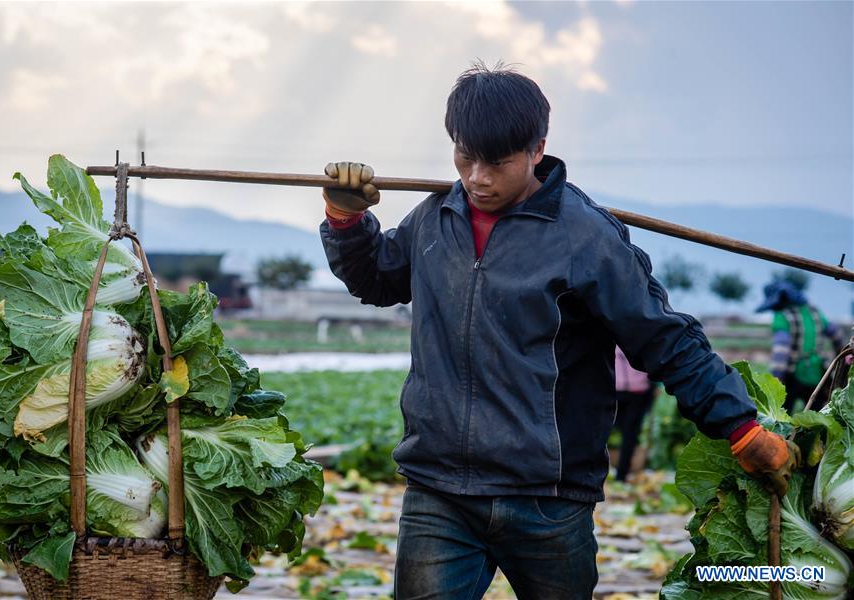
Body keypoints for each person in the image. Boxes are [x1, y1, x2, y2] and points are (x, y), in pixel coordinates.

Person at [318, 62, 798, 600]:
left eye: (497, 163)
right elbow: (377, 279)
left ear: (537, 150)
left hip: (548, 499)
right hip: (440, 489)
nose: (477, 177)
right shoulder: (436, 218)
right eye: (464, 156)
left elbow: (662, 337)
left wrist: (740, 426)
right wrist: (346, 220)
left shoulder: (585, 236)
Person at [757, 280, 847, 412]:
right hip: (817, 374)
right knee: (815, 417)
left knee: (783, 414)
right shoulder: (814, 313)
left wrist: (775, 381)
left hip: (793, 375)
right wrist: (843, 361)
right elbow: (837, 336)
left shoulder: (782, 316)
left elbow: (781, 352)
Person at [613, 346, 657, 482]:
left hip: (634, 392)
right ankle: (619, 475)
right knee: (627, 434)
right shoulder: (640, 333)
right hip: (622, 390)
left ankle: (621, 476)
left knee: (629, 435)